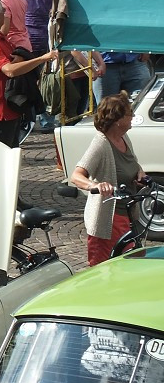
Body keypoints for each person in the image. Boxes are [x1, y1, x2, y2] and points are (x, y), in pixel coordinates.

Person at [68, 93, 147, 266]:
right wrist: (96, 185)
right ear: (118, 119)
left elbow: (131, 162)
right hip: (108, 220)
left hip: (127, 215)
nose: (133, 117)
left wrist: (139, 172)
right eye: (130, 114)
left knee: (133, 261)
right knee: (103, 267)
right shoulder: (101, 144)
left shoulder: (123, 137)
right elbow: (76, 176)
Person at [0, 0, 57, 147]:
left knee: (11, 150)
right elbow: (9, 71)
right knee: (2, 153)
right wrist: (42, 59)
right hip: (2, 108)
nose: (6, 14)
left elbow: (12, 61)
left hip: (11, 105)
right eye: (3, 11)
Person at [18, 0, 56, 129]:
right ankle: (47, 119)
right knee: (46, 79)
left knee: (26, 79)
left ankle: (27, 118)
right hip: (47, 38)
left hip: (25, 38)